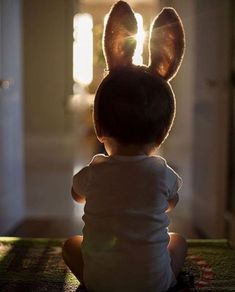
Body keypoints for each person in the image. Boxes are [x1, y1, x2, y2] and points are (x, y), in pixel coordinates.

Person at [63, 2, 187, 291]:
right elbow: (172, 202)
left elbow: (76, 194)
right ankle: (169, 280)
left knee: (71, 245)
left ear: (100, 126)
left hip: (100, 281)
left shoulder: (94, 170)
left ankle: (98, 280)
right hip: (152, 283)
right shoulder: (162, 172)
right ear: (161, 134)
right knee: (178, 242)